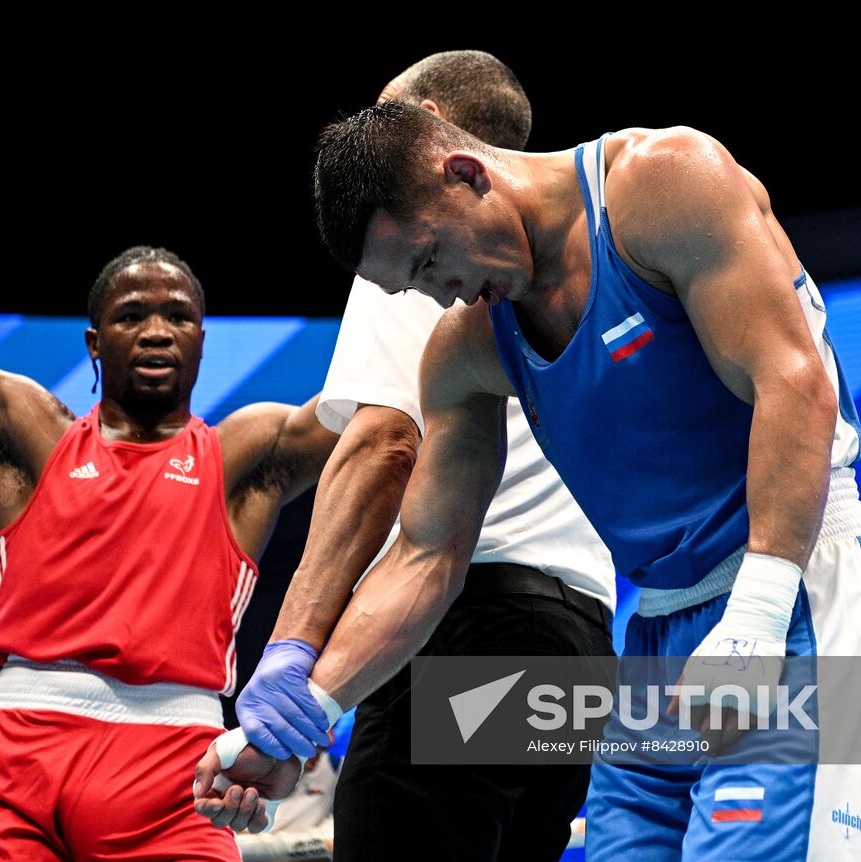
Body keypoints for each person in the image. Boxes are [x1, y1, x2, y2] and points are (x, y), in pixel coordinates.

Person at [209, 104, 861, 858]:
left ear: (466, 174)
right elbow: (425, 557)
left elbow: (793, 383)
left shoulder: (662, 184)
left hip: (796, 589)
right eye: (416, 287)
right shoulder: (469, 351)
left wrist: (757, 623)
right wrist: (304, 714)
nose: (445, 294)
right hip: (659, 633)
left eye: (432, 260)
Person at [0, 39, 337, 860]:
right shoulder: (30, 432)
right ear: (97, 342)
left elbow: (383, 413)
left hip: (177, 762)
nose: (156, 328)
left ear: (203, 340)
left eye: (177, 314)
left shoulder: (249, 451)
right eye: (133, 315)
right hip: (24, 745)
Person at [223, 52, 617, 862]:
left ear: (433, 131)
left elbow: (385, 444)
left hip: (464, 625)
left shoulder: (414, 233)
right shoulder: (576, 242)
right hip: (580, 645)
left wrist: (290, 662)